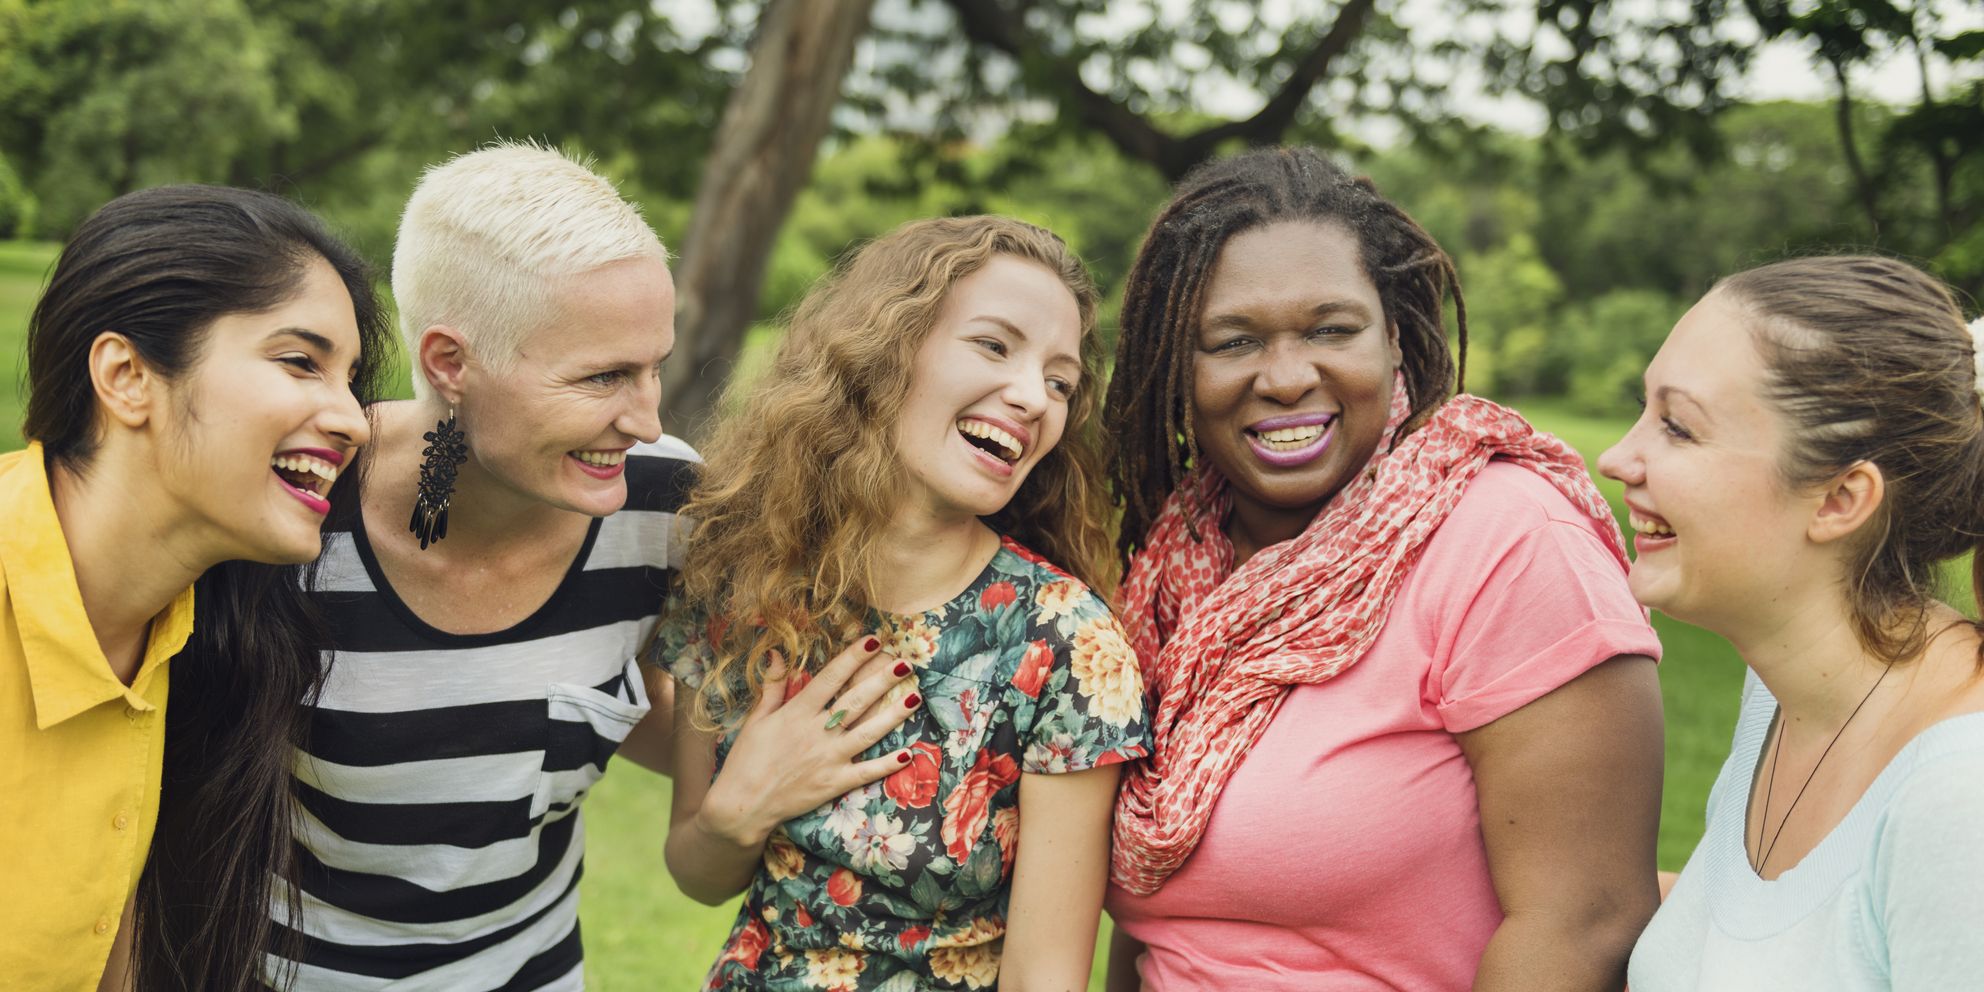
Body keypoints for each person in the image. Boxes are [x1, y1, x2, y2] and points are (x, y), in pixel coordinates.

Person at [1099, 147, 1666, 991]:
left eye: (1332, 329)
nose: (1287, 377)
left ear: (1397, 336)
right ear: (1177, 369)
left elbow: (1587, 925)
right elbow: (1164, 935)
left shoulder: (1505, 540)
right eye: (1233, 341)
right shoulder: (1170, 573)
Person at [656, 215, 1150, 990]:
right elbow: (697, 870)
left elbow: (1044, 978)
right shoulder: (740, 576)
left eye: (1061, 381)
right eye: (994, 346)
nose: (1033, 398)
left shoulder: (1063, 646)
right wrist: (739, 805)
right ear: (885, 350)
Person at [268, 142, 698, 990]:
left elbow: (631, 704)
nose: (645, 420)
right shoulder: (293, 514)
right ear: (450, 364)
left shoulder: (662, 505)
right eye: (604, 376)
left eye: (654, 369)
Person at [2, 185, 384, 991]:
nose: (354, 419)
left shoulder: (180, 629)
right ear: (127, 374)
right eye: (300, 361)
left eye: (351, 380)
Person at [1609, 257, 1984, 990]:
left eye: (1678, 428)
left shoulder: (1958, 801)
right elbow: (1758, 938)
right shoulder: (1782, 690)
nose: (1618, 457)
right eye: (1644, 411)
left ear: (1840, 499)